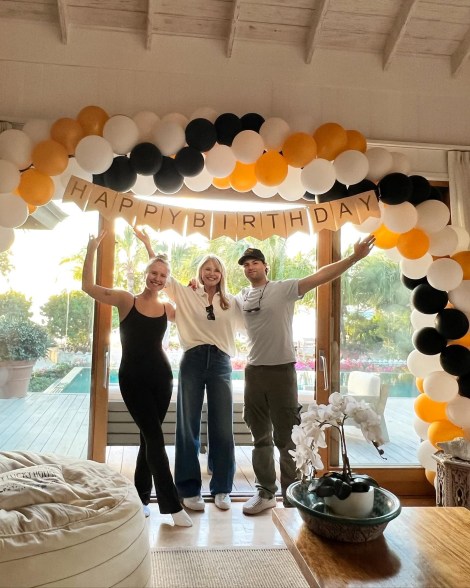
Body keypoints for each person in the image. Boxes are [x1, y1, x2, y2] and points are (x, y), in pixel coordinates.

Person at [236, 235, 375, 515]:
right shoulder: (240, 297)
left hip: (282, 372)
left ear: (265, 267)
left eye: (255, 263)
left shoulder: (283, 289)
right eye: (246, 265)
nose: (250, 267)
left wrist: (354, 257)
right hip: (253, 373)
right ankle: (265, 492)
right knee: (259, 437)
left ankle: (291, 496)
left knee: (287, 437)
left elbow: (320, 276)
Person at [82, 230, 192, 527]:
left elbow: (194, 316)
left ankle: (142, 498)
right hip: (132, 378)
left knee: (149, 439)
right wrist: (92, 249)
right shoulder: (124, 300)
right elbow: (88, 286)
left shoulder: (167, 308)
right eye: (153, 273)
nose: (157, 278)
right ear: (145, 274)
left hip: (162, 378)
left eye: (162, 275)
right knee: (156, 437)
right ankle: (171, 506)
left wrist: (149, 247)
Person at [134, 227, 243, 512]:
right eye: (207, 268)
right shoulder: (185, 294)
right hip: (192, 361)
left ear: (222, 275)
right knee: (187, 428)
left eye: (216, 269)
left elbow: (256, 318)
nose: (211, 273)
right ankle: (189, 489)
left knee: (222, 427)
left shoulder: (231, 302)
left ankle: (222, 488)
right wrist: (148, 242)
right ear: (200, 271)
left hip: (220, 363)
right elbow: (158, 274)